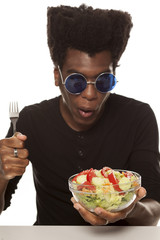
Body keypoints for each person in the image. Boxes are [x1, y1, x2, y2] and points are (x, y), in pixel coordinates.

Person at [0, 4, 160, 226]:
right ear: (57, 77)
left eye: (104, 81)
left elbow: (153, 209)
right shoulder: (31, 120)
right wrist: (0, 175)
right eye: (76, 82)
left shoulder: (138, 117)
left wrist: (128, 209)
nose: (90, 94)